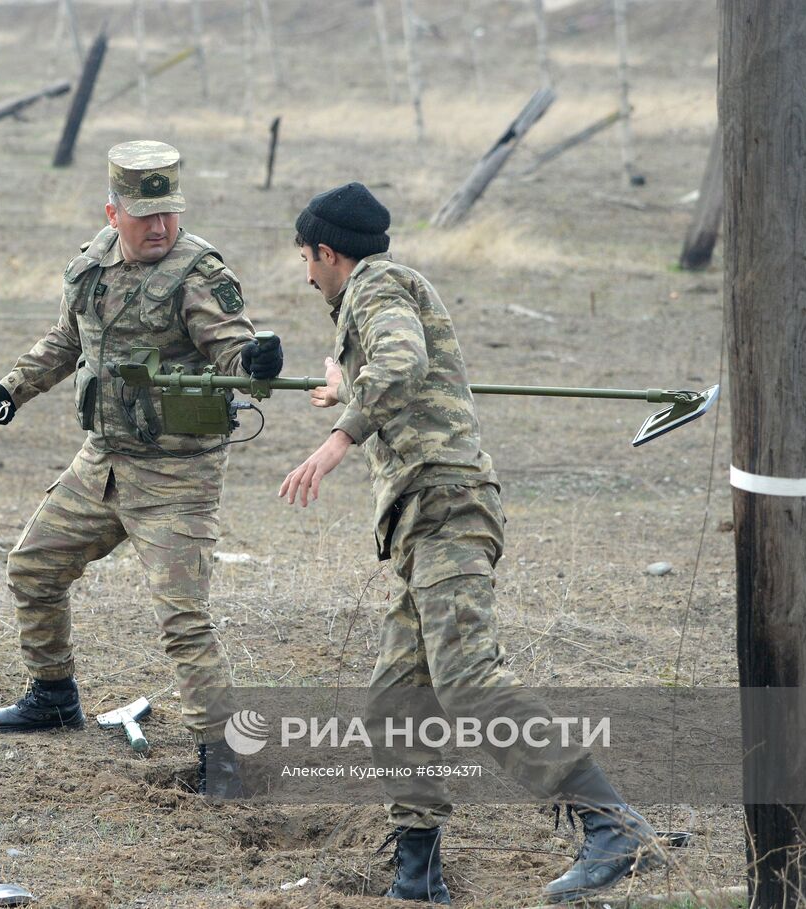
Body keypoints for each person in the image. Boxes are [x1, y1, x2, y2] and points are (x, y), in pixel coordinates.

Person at [278, 182, 659, 903]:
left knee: (469, 682)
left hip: (445, 505)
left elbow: (401, 363)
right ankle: (418, 877)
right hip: (426, 524)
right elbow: (383, 369)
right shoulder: (375, 294)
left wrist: (335, 442)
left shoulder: (376, 285)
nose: (306, 275)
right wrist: (342, 382)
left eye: (307, 258)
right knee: (397, 702)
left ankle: (612, 825)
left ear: (328, 252)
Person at [0, 141, 283, 798]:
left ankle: (223, 756)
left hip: (176, 476)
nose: (159, 228)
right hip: (103, 462)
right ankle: (53, 695)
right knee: (33, 568)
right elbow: (65, 341)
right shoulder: (92, 266)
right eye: (144, 217)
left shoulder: (199, 274)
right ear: (114, 212)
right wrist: (11, 388)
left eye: (168, 213)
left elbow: (233, 350)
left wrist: (255, 363)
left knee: (183, 617)